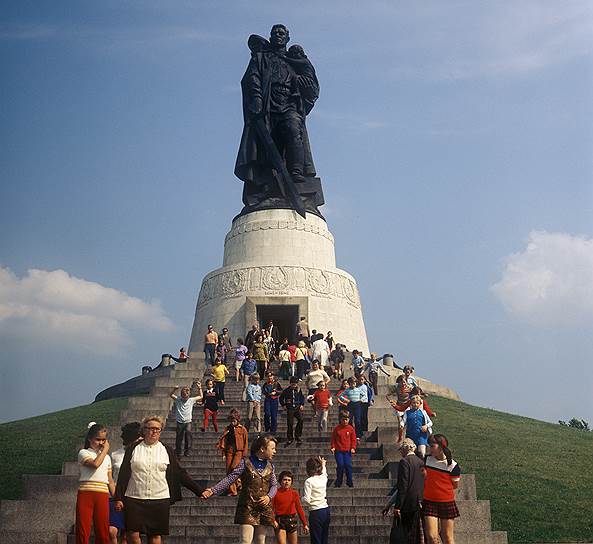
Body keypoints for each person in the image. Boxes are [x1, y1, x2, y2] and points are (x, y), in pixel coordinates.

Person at [114, 416, 204, 544]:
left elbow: (180, 473)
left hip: (159, 498)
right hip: (134, 498)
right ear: (143, 430)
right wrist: (118, 498)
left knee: (155, 535)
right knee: (132, 533)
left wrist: (199, 490)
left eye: (157, 429)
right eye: (150, 428)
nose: (153, 432)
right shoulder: (133, 448)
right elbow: (123, 475)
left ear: (161, 431)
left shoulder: (166, 450)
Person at [201, 434, 279, 544]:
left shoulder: (271, 466)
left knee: (261, 540)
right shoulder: (245, 463)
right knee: (245, 540)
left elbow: (274, 485)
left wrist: (269, 497)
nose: (275, 451)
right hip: (247, 506)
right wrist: (213, 490)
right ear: (262, 449)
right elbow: (230, 478)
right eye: (272, 448)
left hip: (263, 508)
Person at [76, 422, 114, 544]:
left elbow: (110, 480)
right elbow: (95, 464)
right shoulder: (83, 452)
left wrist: (117, 497)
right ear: (90, 439)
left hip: (102, 494)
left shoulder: (107, 458)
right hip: (86, 493)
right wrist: (105, 450)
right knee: (83, 529)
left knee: (103, 530)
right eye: (98, 439)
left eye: (103, 440)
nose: (101, 443)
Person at [382, 438, 424, 544]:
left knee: (406, 533)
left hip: (407, 503)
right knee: (415, 533)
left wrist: (397, 506)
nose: (401, 452)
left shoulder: (404, 462)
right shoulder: (420, 462)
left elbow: (403, 486)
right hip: (418, 501)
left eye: (401, 450)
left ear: (405, 449)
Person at [422, 434, 461, 544]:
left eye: (432, 446)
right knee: (431, 537)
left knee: (448, 537)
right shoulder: (426, 460)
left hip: (446, 502)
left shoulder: (452, 466)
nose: (430, 449)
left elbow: (455, 485)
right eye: (429, 446)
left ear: (441, 447)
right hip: (429, 501)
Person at [109, 422, 142, 544]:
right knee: (112, 530)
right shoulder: (115, 455)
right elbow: (110, 476)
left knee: (128, 533)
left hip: (134, 495)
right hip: (116, 494)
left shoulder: (141, 453)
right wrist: (115, 494)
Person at [216, 409, 249, 497]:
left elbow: (246, 442)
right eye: (231, 421)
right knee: (228, 470)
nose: (232, 422)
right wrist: (223, 453)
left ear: (238, 420)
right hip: (229, 451)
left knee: (234, 467)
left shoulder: (242, 429)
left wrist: (244, 454)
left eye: (234, 421)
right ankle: (233, 490)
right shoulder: (228, 429)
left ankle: (238, 481)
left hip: (239, 451)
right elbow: (224, 441)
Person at [272, 470, 309, 544]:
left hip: (291, 520)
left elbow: (299, 509)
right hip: (280, 520)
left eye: (289, 480)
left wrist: (305, 524)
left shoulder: (294, 493)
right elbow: (271, 508)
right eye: (285, 479)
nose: (287, 482)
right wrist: (273, 520)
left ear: (291, 482)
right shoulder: (275, 492)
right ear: (280, 481)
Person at [169, 380, 203, 457]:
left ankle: (187, 450)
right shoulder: (178, 399)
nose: (185, 398)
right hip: (179, 421)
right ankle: (178, 451)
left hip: (188, 421)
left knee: (188, 434)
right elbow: (170, 395)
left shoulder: (191, 400)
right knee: (179, 437)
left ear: (188, 395)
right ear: (181, 395)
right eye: (184, 397)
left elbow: (201, 396)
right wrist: (174, 389)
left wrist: (200, 388)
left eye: (186, 397)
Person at [302, 456, 330, 544]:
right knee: (324, 538)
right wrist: (323, 464)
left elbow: (307, 499)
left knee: (316, 539)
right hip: (325, 510)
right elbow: (324, 472)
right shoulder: (323, 478)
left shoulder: (309, 481)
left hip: (315, 512)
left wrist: (301, 498)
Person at [330, 412, 356, 488]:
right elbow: (333, 439)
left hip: (347, 451)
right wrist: (333, 447)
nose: (345, 421)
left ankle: (349, 481)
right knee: (340, 465)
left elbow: (353, 439)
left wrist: (353, 448)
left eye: (346, 419)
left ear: (349, 419)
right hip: (339, 451)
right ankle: (339, 481)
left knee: (348, 465)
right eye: (343, 419)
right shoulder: (337, 429)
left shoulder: (351, 429)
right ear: (340, 420)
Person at [279, 377, 305, 446]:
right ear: (290, 384)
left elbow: (302, 397)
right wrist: (283, 405)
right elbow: (281, 398)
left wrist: (302, 404)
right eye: (293, 384)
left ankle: (298, 435)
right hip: (290, 408)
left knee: (301, 419)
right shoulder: (286, 390)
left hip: (297, 407)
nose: (294, 386)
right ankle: (290, 438)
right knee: (290, 423)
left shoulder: (299, 390)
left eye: (295, 384)